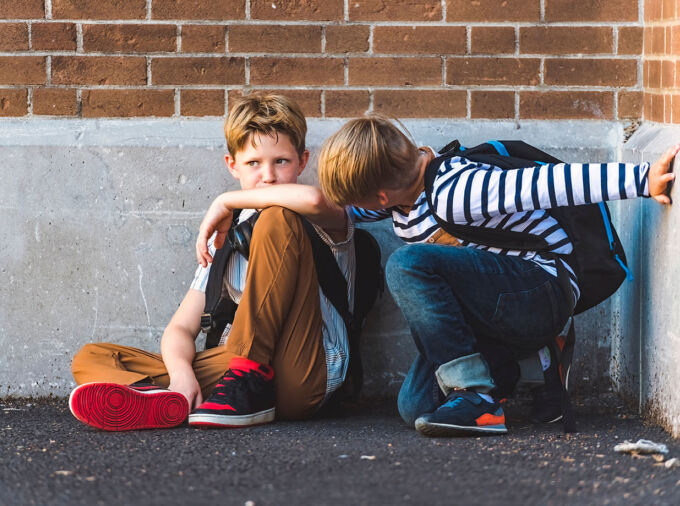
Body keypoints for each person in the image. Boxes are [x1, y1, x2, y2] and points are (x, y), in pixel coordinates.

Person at [317, 114, 676, 437]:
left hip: (540, 290)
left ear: (379, 197)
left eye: (363, 203)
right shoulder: (402, 200)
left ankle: (476, 396)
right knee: (415, 407)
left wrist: (644, 179)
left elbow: (552, 182)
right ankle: (532, 364)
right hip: (495, 307)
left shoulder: (458, 190)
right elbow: (332, 209)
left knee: (407, 264)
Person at [69, 94, 354, 431]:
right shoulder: (224, 236)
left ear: (302, 161)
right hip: (235, 374)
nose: (269, 175)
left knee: (277, 216)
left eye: (281, 161)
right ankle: (167, 399)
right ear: (232, 165)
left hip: (306, 371)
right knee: (92, 357)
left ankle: (244, 377)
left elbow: (312, 197)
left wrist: (225, 200)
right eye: (253, 163)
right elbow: (180, 328)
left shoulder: (318, 218)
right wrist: (181, 376)